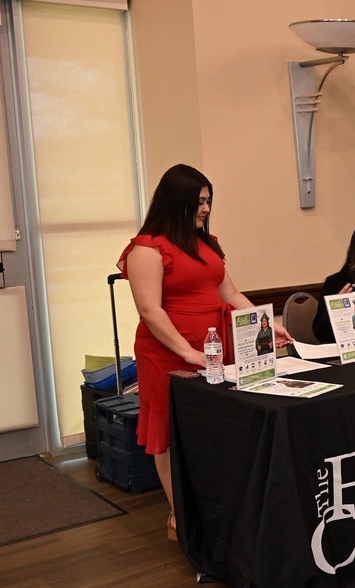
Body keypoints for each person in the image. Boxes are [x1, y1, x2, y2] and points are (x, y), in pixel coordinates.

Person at [117, 164, 292, 541]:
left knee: (210, 426)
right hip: (166, 353)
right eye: (198, 201)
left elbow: (229, 293)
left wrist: (266, 324)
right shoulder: (147, 248)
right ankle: (178, 515)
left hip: (212, 347)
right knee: (166, 429)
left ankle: (210, 506)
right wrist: (187, 352)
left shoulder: (205, 244)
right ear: (176, 200)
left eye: (209, 201)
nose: (205, 209)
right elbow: (150, 310)